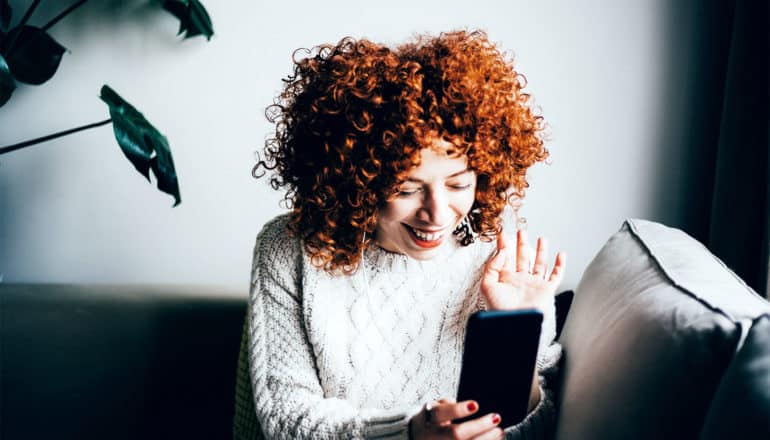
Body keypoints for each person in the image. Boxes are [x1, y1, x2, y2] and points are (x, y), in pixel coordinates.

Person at [233, 29, 567, 440]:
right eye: (406, 189)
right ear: (356, 179)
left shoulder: (500, 257)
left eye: (459, 185)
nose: (437, 214)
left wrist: (517, 338)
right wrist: (409, 433)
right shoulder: (290, 249)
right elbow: (287, 422)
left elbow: (540, 427)